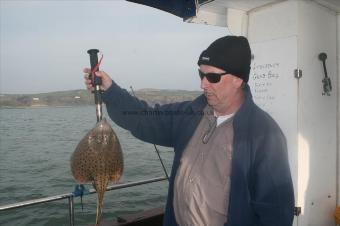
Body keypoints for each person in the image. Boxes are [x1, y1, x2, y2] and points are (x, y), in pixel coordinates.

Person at [84, 36, 295, 226]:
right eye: (200, 74)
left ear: (238, 79)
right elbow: (143, 118)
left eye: (212, 77)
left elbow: (276, 213)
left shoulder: (265, 135)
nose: (203, 84)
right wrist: (110, 90)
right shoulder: (188, 114)